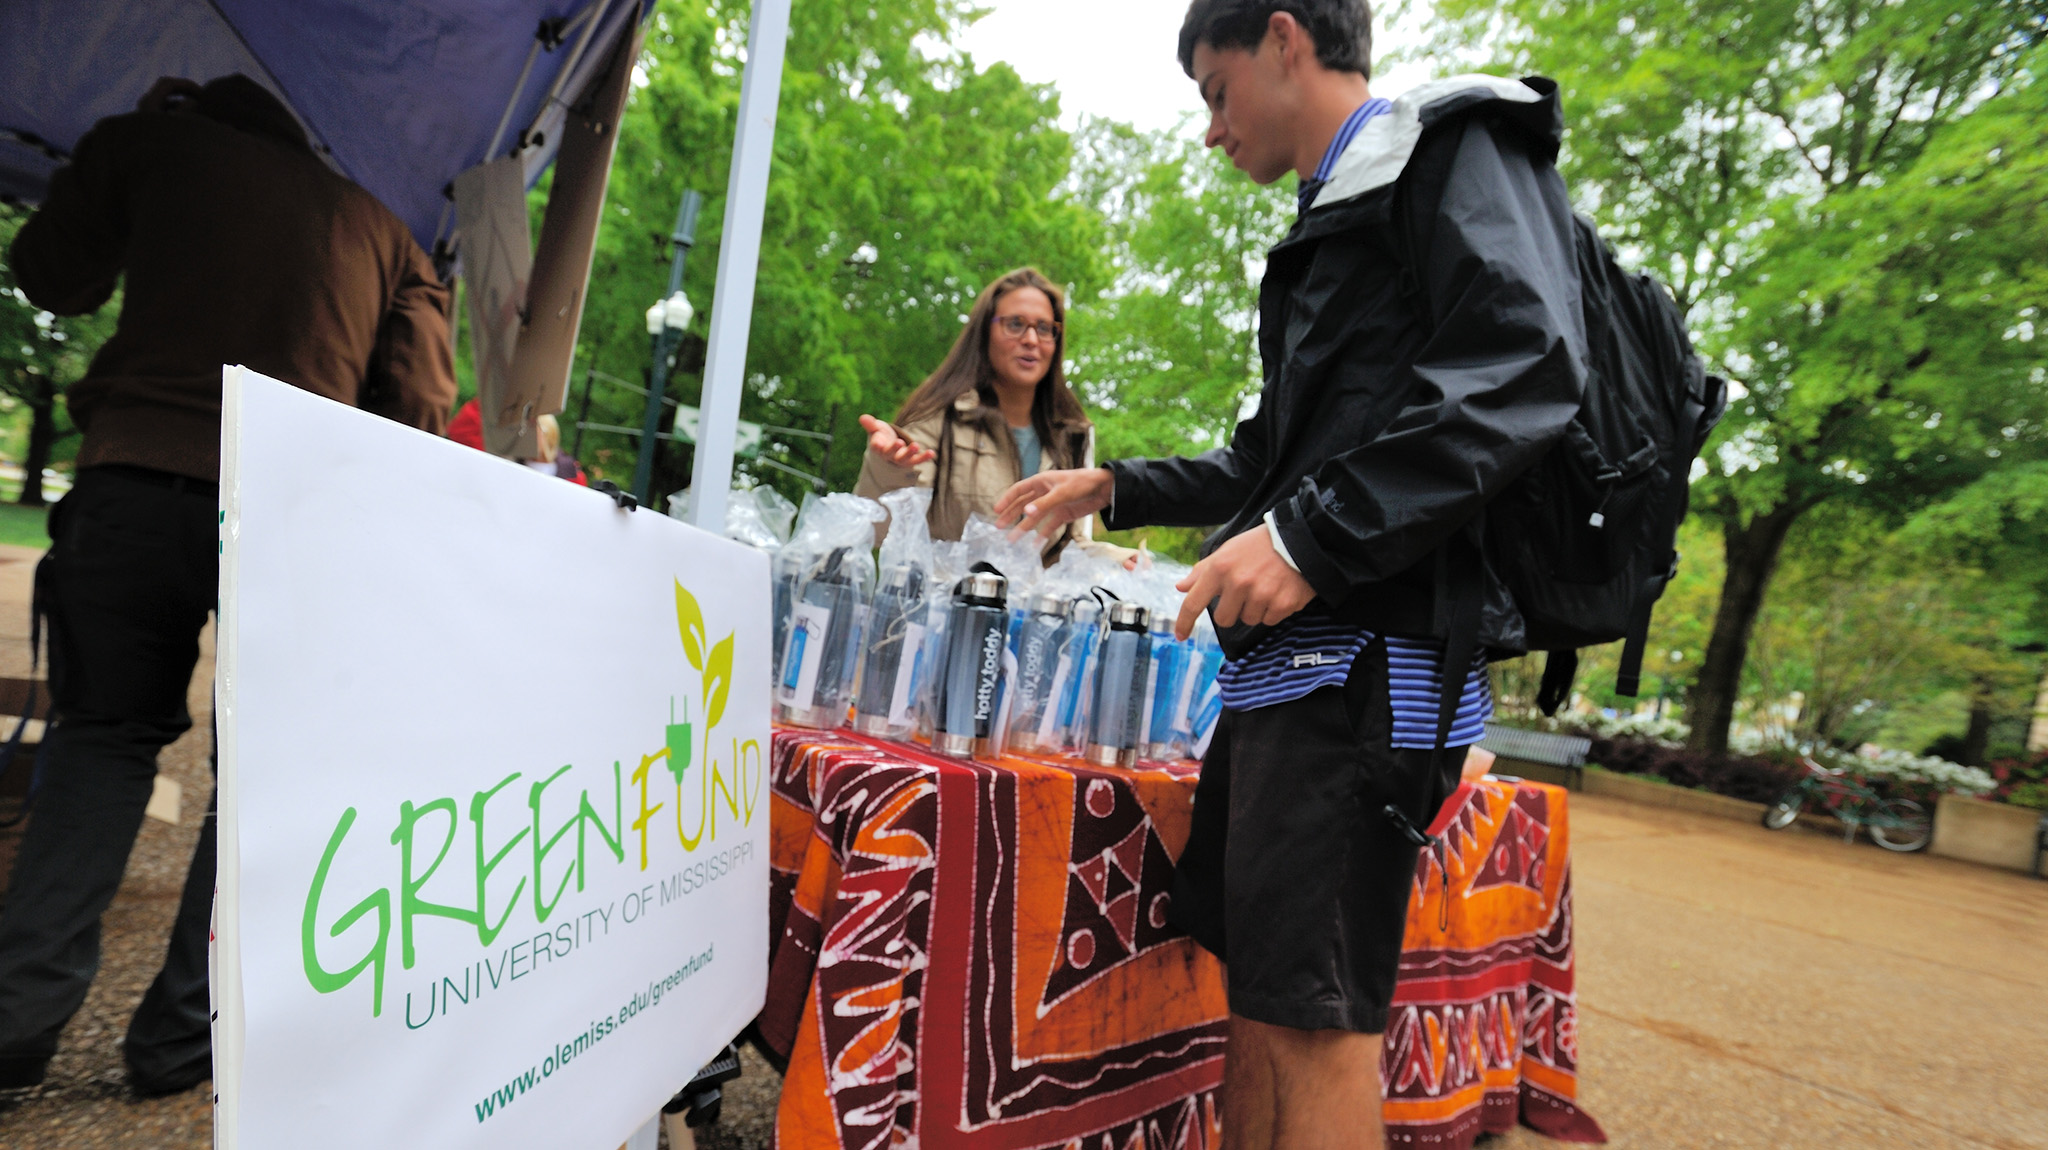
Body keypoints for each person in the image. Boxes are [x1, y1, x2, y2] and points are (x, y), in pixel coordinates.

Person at [997, 3, 1585, 1146]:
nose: (1210, 130)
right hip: (1289, 677)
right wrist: (1113, 484)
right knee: (1261, 996)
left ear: (1282, 38)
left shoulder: (1451, 145)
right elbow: (1271, 458)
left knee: (1318, 1020)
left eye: (1214, 92)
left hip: (1371, 668)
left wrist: (1312, 540)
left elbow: (1525, 363)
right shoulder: (1339, 212)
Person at [0, 73, 456, 1096]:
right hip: (288, 510)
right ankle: (184, 1038)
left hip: (132, 473)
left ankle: (15, 1021)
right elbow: (423, 404)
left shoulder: (145, 146)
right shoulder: (382, 230)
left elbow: (51, 275)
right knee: (258, 778)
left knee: (103, 740)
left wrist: (132, 161)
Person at [854, 267, 1109, 561]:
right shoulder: (941, 418)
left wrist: (1118, 560)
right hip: (944, 591)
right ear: (985, 332)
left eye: (1044, 328)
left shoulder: (1071, 434)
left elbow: (1064, 550)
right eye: (1015, 324)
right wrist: (890, 468)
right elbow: (881, 531)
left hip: (1032, 594)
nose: (1031, 339)